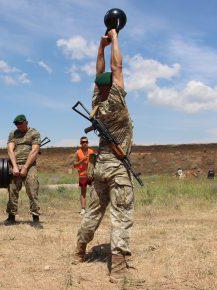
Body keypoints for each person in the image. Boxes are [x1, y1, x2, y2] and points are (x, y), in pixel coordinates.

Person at [73, 28, 137, 284]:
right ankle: (119, 267)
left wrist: (100, 47)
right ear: (113, 87)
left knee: (92, 212)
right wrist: (116, 37)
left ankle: (79, 251)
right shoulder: (116, 103)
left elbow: (100, 74)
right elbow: (116, 66)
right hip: (117, 168)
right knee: (121, 214)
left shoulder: (96, 104)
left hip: (99, 166)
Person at [3, 114, 42, 228]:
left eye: (20, 124)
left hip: (30, 166)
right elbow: (10, 150)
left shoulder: (34, 133)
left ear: (26, 122)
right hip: (15, 164)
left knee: (32, 190)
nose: (18, 126)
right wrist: (15, 166)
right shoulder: (13, 134)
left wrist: (25, 167)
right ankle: (11, 217)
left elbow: (34, 151)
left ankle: (35, 218)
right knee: (12, 190)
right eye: (16, 124)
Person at [73, 136, 95, 215]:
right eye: (83, 142)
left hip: (91, 174)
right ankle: (83, 209)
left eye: (86, 142)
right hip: (82, 175)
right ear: (80, 143)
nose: (85, 143)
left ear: (88, 143)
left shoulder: (91, 151)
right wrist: (82, 160)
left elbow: (95, 163)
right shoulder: (78, 152)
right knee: (83, 192)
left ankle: (93, 209)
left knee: (94, 192)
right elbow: (74, 165)